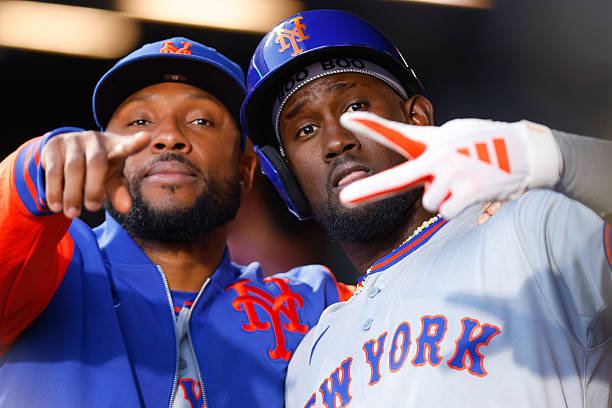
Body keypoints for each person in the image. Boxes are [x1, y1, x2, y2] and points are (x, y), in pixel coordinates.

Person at [240, 9, 612, 407]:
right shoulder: (309, 361)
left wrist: (555, 156)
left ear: (416, 119)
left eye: (355, 107)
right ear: (287, 176)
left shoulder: (526, 228)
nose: (335, 141)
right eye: (306, 130)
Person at [0, 37, 353, 408]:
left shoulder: (310, 307)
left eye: (201, 121)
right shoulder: (50, 271)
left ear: (245, 170)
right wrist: (31, 171)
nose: (169, 137)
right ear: (100, 152)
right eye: (140, 121)